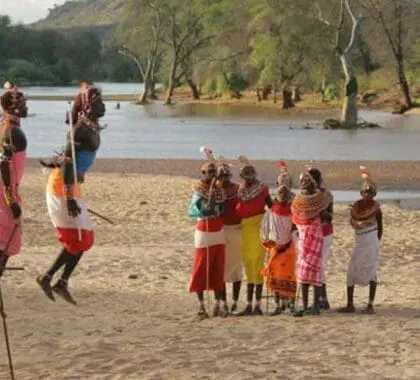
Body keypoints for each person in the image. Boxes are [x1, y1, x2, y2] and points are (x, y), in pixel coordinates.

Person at [37, 86, 106, 304]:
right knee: (77, 238)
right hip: (62, 186)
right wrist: (68, 199)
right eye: (98, 101)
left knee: (85, 239)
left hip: (72, 184)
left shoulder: (91, 127)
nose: (103, 105)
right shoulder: (80, 129)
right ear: (87, 105)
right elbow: (67, 164)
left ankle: (59, 281)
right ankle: (48, 278)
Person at [338, 166, 382, 314]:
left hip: (371, 240)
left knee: (372, 271)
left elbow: (380, 228)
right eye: (365, 192)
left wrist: (376, 243)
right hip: (360, 241)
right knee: (351, 271)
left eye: (370, 192)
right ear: (361, 193)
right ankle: (350, 304)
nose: (367, 195)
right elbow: (352, 222)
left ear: (374, 194)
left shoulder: (377, 208)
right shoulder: (356, 207)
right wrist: (359, 225)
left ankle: (370, 305)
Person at [188, 147, 227, 318]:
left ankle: (218, 303)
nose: (210, 174)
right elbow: (195, 211)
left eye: (212, 171)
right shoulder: (198, 190)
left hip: (217, 230)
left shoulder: (219, 190)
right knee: (201, 266)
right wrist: (206, 207)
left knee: (218, 266)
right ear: (201, 173)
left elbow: (222, 209)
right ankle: (202, 305)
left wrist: (215, 207)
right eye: (207, 171)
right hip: (204, 229)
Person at [291, 170, 332, 316]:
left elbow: (327, 215)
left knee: (315, 271)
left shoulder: (320, 198)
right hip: (303, 238)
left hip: (315, 237)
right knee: (303, 273)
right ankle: (306, 305)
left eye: (307, 183)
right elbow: (294, 217)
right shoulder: (298, 199)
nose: (305, 186)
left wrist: (317, 216)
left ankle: (315, 305)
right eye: (303, 183)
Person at [236, 156, 272, 316]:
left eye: (251, 174)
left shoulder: (263, 188)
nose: (249, 177)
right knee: (248, 264)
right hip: (245, 230)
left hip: (258, 228)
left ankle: (257, 305)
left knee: (258, 264)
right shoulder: (240, 190)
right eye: (246, 174)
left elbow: (272, 207)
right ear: (242, 177)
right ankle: (249, 304)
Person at [261, 161, 296, 315]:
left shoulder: (296, 203)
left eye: (286, 182)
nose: (283, 186)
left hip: (289, 245)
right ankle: (278, 304)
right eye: (281, 182)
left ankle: (289, 304)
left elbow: (297, 224)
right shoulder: (273, 203)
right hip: (276, 245)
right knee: (275, 274)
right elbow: (268, 222)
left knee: (290, 275)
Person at [0, 84, 28, 276]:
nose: (27, 108)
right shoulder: (13, 132)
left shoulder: (5, 125)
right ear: (15, 106)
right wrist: (11, 201)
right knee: (6, 244)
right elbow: (3, 164)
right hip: (5, 196)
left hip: (5, 192)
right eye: (23, 104)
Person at [217, 161, 243, 313]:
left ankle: (234, 302)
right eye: (221, 175)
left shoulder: (239, 188)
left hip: (237, 230)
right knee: (220, 269)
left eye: (226, 174)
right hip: (219, 231)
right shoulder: (214, 189)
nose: (224, 178)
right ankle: (223, 303)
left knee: (236, 268)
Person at [308, 165, 334, 310]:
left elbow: (330, 217)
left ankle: (319, 300)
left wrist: (322, 211)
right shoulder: (306, 195)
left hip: (324, 234)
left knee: (318, 266)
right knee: (316, 267)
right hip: (311, 235)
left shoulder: (327, 196)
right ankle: (323, 299)